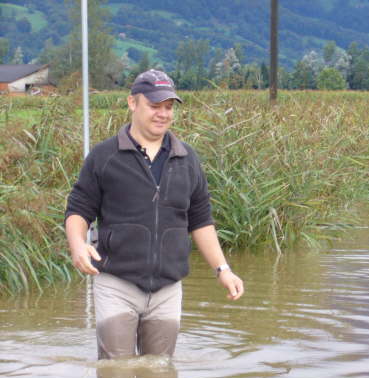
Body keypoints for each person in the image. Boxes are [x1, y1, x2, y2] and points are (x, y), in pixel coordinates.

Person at [65, 69, 244, 360]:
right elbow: (78, 209)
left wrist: (223, 270)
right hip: (116, 284)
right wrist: (77, 245)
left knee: (159, 377)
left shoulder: (187, 159)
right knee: (116, 374)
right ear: (132, 103)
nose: (163, 114)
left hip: (167, 288)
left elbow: (201, 220)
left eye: (168, 107)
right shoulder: (104, 156)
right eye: (154, 106)